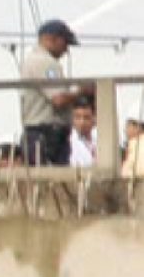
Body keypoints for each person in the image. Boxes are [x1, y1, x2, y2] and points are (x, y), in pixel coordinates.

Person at [19, 20, 90, 165]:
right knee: (53, 180)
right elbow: (58, 99)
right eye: (65, 43)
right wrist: (81, 91)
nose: (66, 50)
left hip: (37, 132)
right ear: (51, 39)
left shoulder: (31, 60)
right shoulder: (45, 63)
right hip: (47, 133)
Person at [68, 98, 97, 168]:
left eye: (86, 117)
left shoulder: (101, 136)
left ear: (93, 118)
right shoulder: (68, 142)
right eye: (78, 117)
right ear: (73, 119)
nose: (82, 122)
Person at [123, 105, 143, 177]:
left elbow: (125, 175)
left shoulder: (136, 145)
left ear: (138, 127)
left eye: (128, 126)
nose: (125, 130)